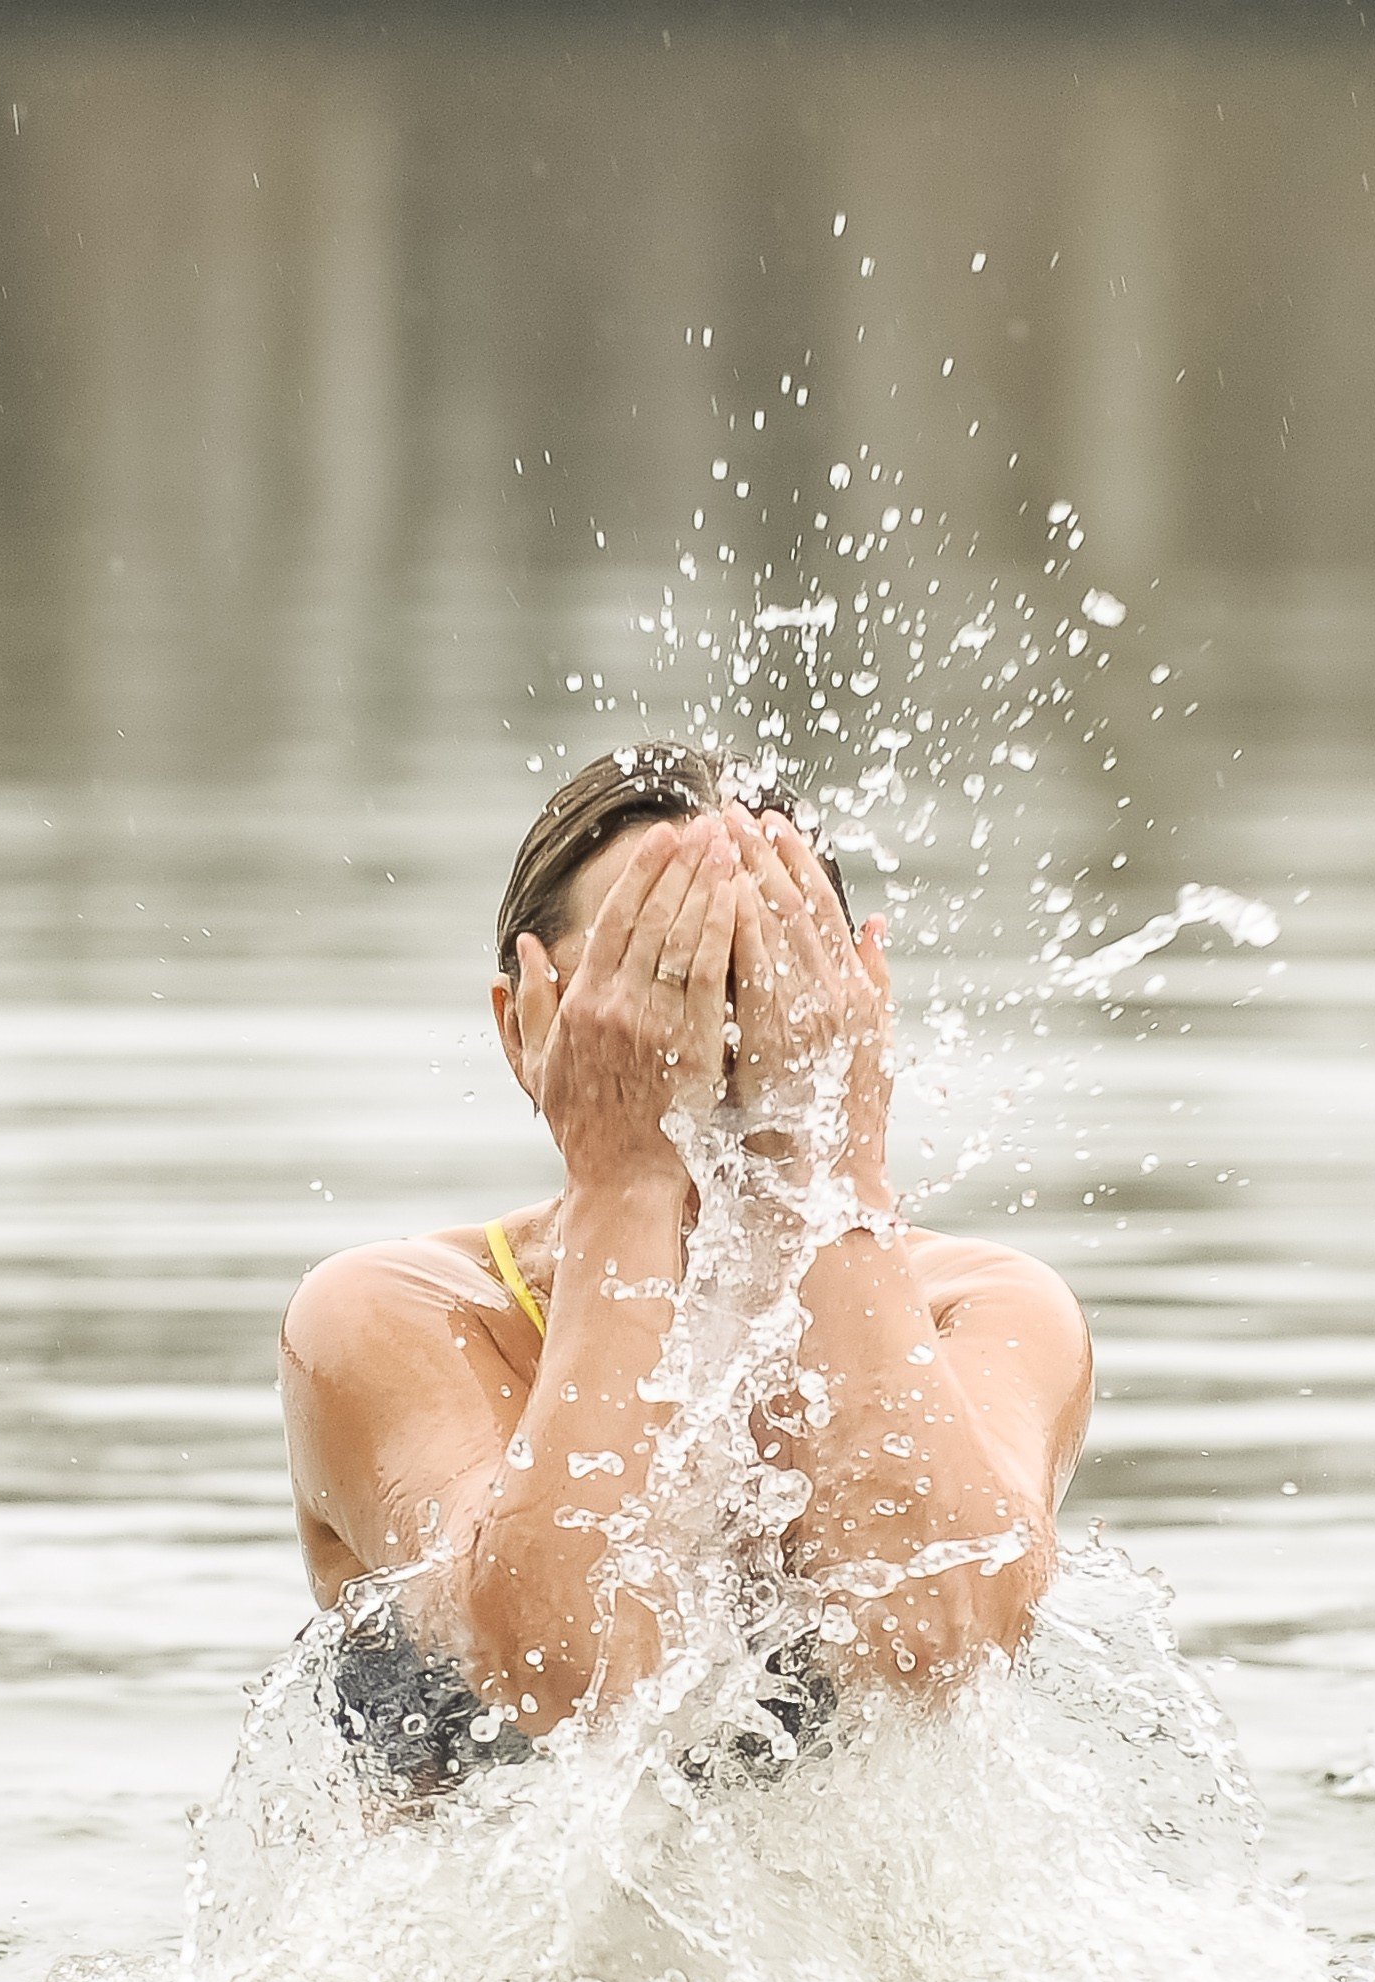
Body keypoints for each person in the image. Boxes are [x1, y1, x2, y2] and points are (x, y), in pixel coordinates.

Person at [276, 745, 1094, 1790]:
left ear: (849, 1005)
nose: (709, 1031)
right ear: (523, 1027)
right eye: (652, 974)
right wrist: (625, 1181)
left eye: (759, 976)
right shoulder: (389, 1316)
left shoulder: (978, 1308)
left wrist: (819, 1159)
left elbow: (933, 1646)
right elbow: (567, 1672)